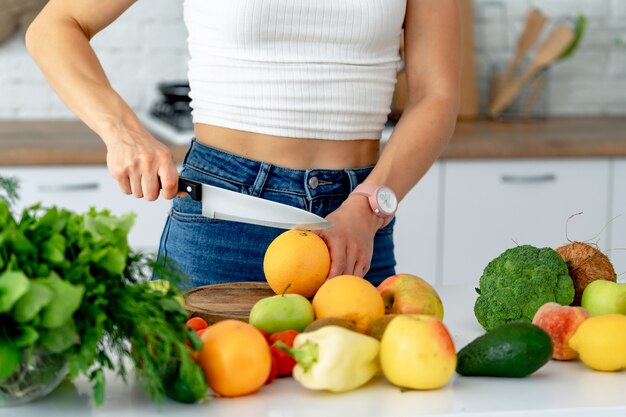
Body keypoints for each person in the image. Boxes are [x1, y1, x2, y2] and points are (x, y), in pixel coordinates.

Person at [26, 0, 461, 288]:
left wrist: (368, 207)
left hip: (356, 225)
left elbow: (436, 95)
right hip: (223, 215)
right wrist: (122, 131)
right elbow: (56, 26)